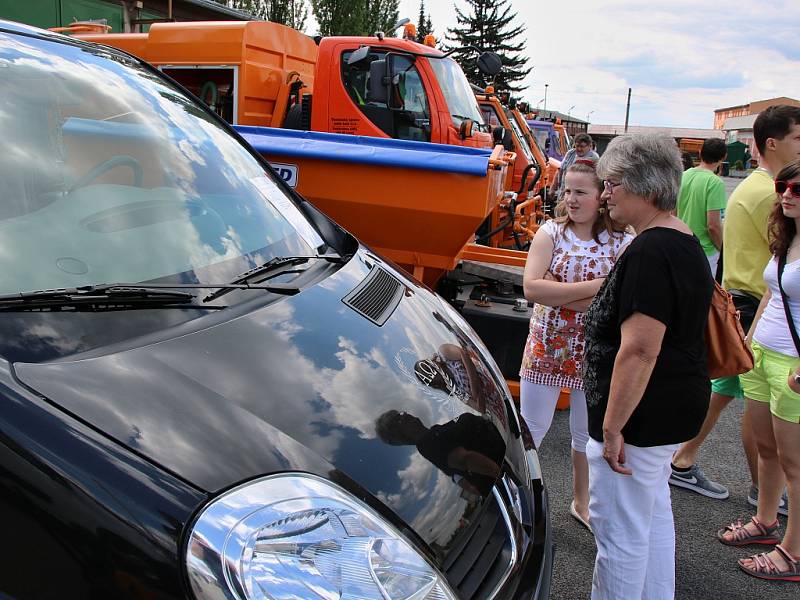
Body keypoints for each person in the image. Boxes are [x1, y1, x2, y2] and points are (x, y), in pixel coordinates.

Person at [583, 133, 713, 599]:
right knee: (651, 516)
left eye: (611, 183)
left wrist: (614, 427)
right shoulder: (682, 240)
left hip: (642, 416)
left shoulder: (651, 250)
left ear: (644, 185)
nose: (604, 194)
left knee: (619, 532)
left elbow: (639, 349)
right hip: (672, 407)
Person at [670, 105, 800, 507]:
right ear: (774, 144)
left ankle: (685, 459)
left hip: (744, 296)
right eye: (798, 138)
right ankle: (764, 490)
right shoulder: (770, 192)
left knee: (728, 390)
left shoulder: (755, 186)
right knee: (753, 404)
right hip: (758, 304)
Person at [520, 162, 631, 531]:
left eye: (580, 191)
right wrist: (599, 285)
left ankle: (582, 501)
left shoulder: (623, 240)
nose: (571, 199)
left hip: (594, 352)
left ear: (602, 196)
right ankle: (521, 499)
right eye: (567, 191)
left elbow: (618, 302)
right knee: (531, 429)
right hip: (546, 348)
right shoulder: (550, 232)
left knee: (586, 436)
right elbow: (532, 289)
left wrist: (559, 293)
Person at [716, 160, 800, 582]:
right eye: (784, 185)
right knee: (767, 450)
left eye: (796, 189)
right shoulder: (787, 238)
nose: (785, 194)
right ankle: (766, 522)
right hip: (763, 354)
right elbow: (771, 292)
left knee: (795, 462)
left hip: (793, 366)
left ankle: (794, 551)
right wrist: (748, 340)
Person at [676, 138, 727, 277]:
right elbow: (713, 225)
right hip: (705, 251)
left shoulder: (683, 177)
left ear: (700, 153)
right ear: (723, 157)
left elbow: (673, 213)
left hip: (681, 246)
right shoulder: (715, 182)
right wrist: (723, 251)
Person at [553, 133, 600, 199]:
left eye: (582, 146)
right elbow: (560, 170)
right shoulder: (570, 153)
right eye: (577, 146)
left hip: (580, 198)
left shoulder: (594, 158)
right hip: (563, 194)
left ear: (589, 146)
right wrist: (553, 188)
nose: (579, 149)